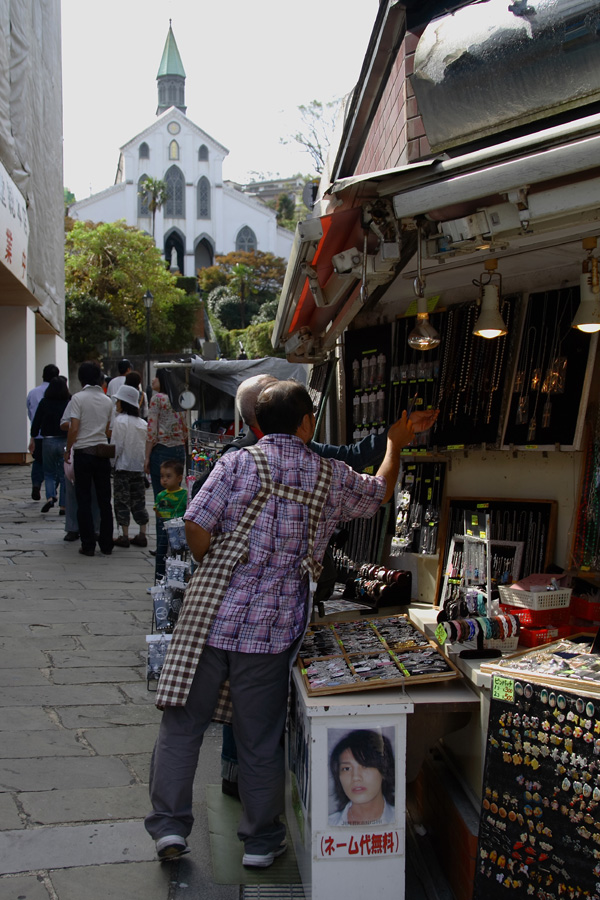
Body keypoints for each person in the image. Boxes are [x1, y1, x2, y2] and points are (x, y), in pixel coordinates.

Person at [144, 379, 414, 864]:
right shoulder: (329, 475)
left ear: (257, 424)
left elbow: (195, 525)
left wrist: (217, 561)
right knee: (260, 737)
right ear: (307, 423)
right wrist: (394, 444)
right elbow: (380, 492)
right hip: (271, 631)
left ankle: (169, 830)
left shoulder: (236, 462)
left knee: (182, 724)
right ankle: (262, 843)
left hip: (211, 617)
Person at [193, 373, 438, 800]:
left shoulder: (271, 458)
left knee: (217, 717)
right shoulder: (274, 462)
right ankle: (255, 816)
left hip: (242, 613)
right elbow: (376, 491)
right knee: (255, 718)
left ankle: (235, 809)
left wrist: (394, 436)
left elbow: (195, 522)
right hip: (268, 618)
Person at [64, 361, 114, 557]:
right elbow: (109, 429)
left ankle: (88, 544)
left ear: (81, 378)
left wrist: (69, 449)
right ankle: (107, 544)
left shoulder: (78, 398)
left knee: (83, 500)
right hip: (101, 452)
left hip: (84, 453)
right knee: (104, 500)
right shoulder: (107, 400)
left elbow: (73, 427)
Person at [328, 730, 395, 826]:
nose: (355, 777)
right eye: (346, 768)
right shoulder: (330, 824)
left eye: (365, 766)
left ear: (384, 770)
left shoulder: (399, 819)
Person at [110, 384, 150, 548]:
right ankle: (142, 533)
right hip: (138, 469)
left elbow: (116, 446)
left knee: (122, 502)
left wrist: (112, 464)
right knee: (139, 501)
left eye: (118, 401)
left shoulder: (120, 421)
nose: (116, 404)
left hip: (122, 467)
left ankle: (124, 535)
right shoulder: (142, 423)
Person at [29, 376, 70, 514]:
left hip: (48, 440)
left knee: (49, 473)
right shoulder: (68, 402)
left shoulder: (44, 402)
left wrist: (33, 436)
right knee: (64, 474)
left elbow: (36, 423)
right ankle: (63, 505)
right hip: (64, 440)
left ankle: (50, 497)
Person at [27, 364, 59, 501]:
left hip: (39, 434)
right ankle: (53, 491)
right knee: (56, 464)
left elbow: (30, 413)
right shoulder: (59, 393)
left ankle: (36, 484)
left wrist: (33, 435)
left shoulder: (33, 392)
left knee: (38, 461)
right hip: (55, 434)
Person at [154, 460, 187, 578]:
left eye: (168, 476)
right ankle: (159, 578)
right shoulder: (161, 495)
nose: (164, 480)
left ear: (179, 478)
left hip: (178, 530)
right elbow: (157, 511)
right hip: (164, 528)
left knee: (177, 554)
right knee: (161, 552)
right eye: (162, 476)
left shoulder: (184, 495)